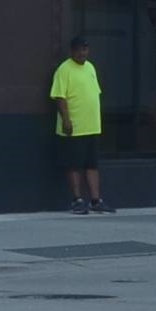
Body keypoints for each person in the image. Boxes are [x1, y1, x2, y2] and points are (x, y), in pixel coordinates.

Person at [50, 35, 109, 213]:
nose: (83, 53)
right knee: (74, 164)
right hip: (73, 128)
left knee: (92, 164)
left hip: (92, 126)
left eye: (85, 49)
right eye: (79, 49)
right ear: (72, 51)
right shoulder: (64, 70)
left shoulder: (90, 67)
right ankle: (77, 200)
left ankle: (95, 200)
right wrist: (66, 120)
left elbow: (94, 93)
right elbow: (60, 97)